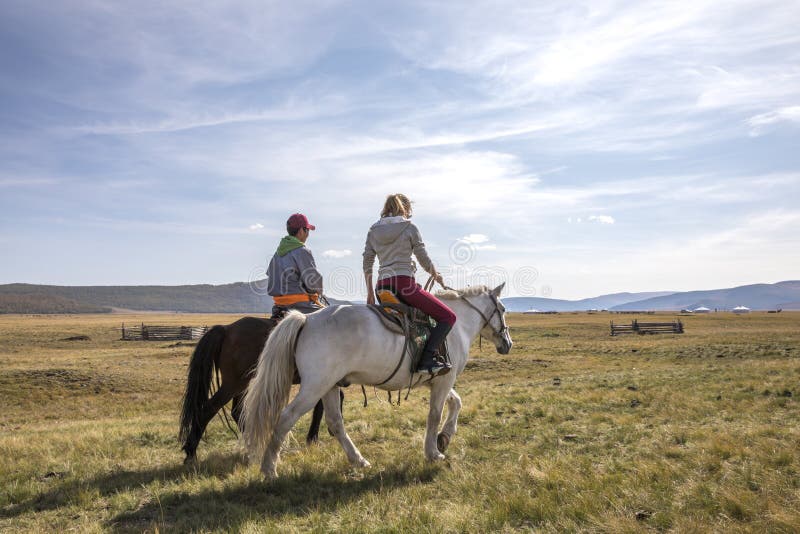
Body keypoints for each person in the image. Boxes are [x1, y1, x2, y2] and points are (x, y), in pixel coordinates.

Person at [363, 194, 455, 376]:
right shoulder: (409, 227)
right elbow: (423, 258)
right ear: (404, 209)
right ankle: (427, 358)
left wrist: (370, 294)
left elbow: (367, 262)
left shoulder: (373, 231)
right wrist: (436, 275)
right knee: (448, 317)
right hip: (405, 285)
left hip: (382, 288)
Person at [267, 213, 324, 319]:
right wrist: (317, 291)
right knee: (331, 320)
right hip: (301, 307)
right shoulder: (302, 251)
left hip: (279, 307)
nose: (308, 234)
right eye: (307, 230)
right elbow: (313, 282)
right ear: (302, 230)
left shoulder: (277, 254)